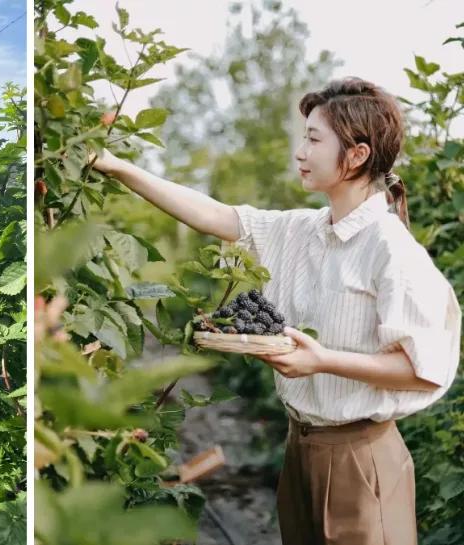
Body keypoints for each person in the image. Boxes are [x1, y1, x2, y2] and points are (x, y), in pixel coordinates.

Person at [88, 77, 461, 544]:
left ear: (358, 155)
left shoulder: (390, 249)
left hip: (360, 458)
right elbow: (216, 216)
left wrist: (321, 360)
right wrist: (116, 166)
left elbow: (422, 370)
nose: (300, 151)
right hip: (300, 447)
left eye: (313, 139)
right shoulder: (305, 230)